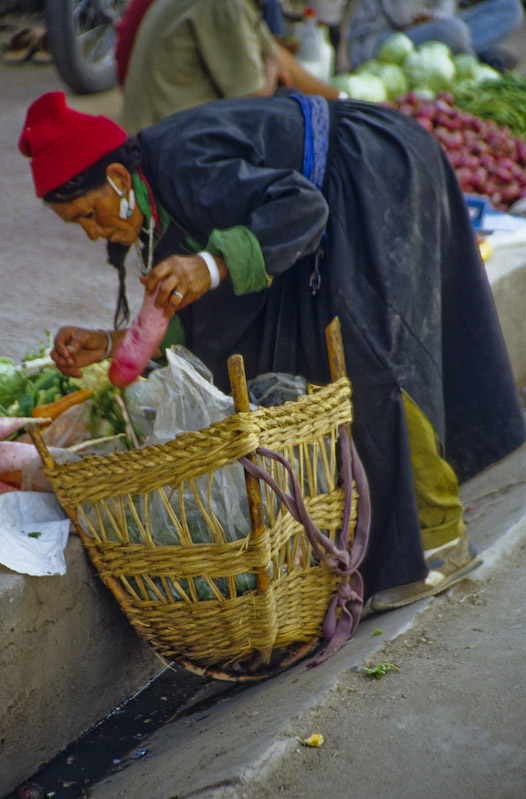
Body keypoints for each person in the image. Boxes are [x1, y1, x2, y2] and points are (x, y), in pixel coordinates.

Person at [18, 90, 525, 613]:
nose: (93, 231)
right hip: (329, 203)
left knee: (374, 357)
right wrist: (110, 343)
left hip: (369, 171)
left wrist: (211, 264)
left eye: (89, 213)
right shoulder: (149, 209)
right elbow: (202, 317)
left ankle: (440, 541)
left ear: (120, 181)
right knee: (323, 367)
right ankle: (386, 544)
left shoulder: (184, 162)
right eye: (77, 225)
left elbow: (303, 206)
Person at [118, 0, 341, 133]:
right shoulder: (227, 3)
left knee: (298, 101)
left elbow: (274, 52)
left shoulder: (242, 5)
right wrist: (272, 69)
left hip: (159, 127)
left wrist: (344, 101)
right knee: (289, 113)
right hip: (161, 140)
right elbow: (254, 98)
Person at [345, 0, 525, 72]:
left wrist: (437, 20)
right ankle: (468, 59)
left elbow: (446, 11)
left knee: (510, 8)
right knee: (455, 31)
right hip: (377, 42)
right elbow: (403, 19)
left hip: (430, 26)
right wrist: (436, 22)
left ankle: (460, 53)